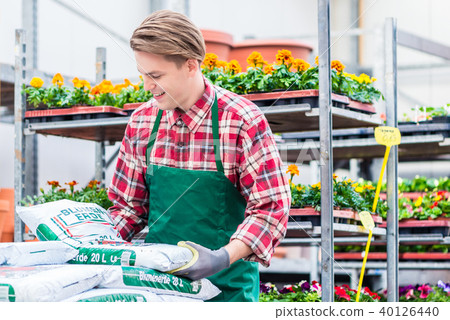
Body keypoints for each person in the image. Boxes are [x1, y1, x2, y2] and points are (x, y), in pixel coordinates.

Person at [108, 9, 291, 302]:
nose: (147, 86)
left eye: (156, 75)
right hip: (159, 290)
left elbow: (271, 207)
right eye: (143, 75)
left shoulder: (241, 121)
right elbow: (129, 209)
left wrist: (221, 257)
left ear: (191, 65)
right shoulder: (141, 122)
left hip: (227, 292)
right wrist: (90, 244)